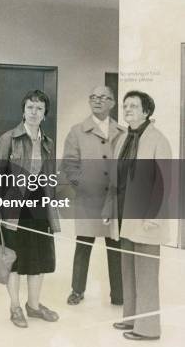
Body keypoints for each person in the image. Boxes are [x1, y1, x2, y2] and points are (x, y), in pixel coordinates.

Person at [0, 90, 60, 328]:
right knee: (15, 260)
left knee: (37, 258)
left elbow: (50, 180)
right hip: (13, 208)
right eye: (30, 107)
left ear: (44, 114)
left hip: (39, 208)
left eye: (39, 109)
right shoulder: (8, 139)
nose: (34, 112)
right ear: (23, 110)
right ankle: (15, 307)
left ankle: (34, 306)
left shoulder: (48, 142)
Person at [103, 91, 171, 341]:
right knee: (128, 269)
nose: (127, 109)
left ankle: (148, 328)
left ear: (146, 111)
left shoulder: (158, 139)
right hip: (124, 213)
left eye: (133, 106)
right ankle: (131, 318)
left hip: (146, 218)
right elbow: (115, 179)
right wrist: (108, 210)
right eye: (125, 105)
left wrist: (154, 216)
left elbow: (165, 181)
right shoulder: (123, 139)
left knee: (146, 273)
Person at [61, 86, 125, 306]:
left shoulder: (122, 132)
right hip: (88, 199)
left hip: (115, 200)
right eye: (94, 97)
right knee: (83, 244)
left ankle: (119, 294)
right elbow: (69, 165)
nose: (98, 100)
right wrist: (83, 185)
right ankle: (77, 290)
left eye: (103, 97)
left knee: (116, 245)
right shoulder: (77, 131)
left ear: (112, 103)